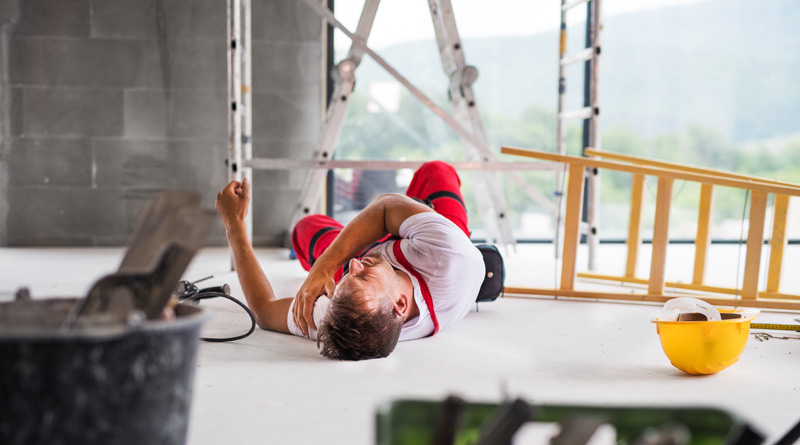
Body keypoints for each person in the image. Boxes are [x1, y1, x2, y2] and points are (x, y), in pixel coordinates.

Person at [215, 161, 485, 360]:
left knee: (305, 228)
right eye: (362, 277)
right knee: (436, 170)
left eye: (346, 280)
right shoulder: (448, 253)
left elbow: (264, 311)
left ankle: (398, 220)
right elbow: (385, 205)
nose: (355, 265)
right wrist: (327, 265)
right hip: (434, 246)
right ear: (400, 304)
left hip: (389, 259)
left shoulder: (342, 314)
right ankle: (414, 212)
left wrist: (233, 225)